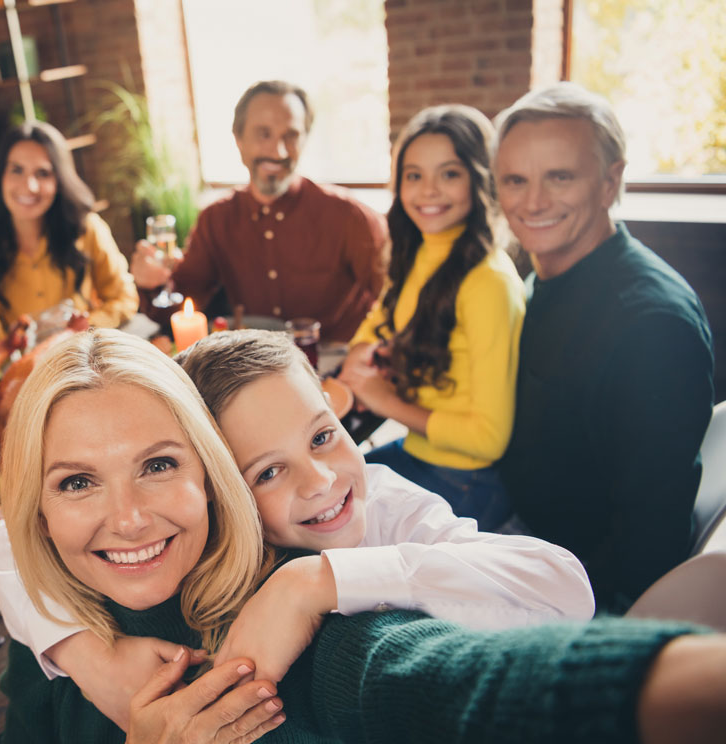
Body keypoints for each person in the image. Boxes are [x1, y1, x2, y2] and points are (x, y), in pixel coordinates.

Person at [0, 328, 726, 744]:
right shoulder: (77, 596)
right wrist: (87, 653)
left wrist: (317, 582)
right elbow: (10, 539)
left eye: (326, 437)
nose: (319, 481)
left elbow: (441, 669)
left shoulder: (370, 515)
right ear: (222, 486)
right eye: (265, 472)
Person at [493, 83, 715, 613]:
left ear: (610, 180)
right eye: (515, 180)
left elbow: (649, 543)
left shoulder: (651, 325)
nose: (533, 202)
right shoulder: (539, 278)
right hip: (517, 530)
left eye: (560, 177)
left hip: (573, 584)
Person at [340, 105, 523, 530]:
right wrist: (362, 350)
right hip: (418, 451)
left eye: (449, 173)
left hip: (466, 481)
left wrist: (388, 403)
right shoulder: (419, 249)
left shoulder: (488, 283)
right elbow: (380, 314)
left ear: (479, 178)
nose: (429, 191)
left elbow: (489, 440)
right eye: (414, 175)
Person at [129, 80, 386, 341]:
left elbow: (397, 300)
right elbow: (181, 309)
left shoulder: (351, 217)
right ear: (238, 139)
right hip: (259, 365)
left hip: (336, 360)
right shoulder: (216, 219)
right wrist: (153, 285)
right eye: (264, 134)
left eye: (292, 135)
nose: (278, 151)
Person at [0, 121, 138, 348]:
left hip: (83, 362)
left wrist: (79, 334)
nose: (30, 186)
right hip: (27, 377)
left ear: (59, 180)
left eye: (43, 173)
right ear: (0, 177)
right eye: (16, 170)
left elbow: (125, 299)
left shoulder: (87, 229)